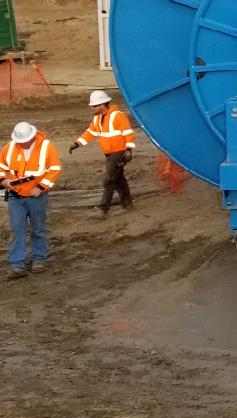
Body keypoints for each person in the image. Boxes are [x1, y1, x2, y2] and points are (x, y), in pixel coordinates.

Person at [1, 121, 62, 277]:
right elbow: (1, 166)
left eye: (25, 141)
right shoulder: (10, 148)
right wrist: (3, 181)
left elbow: (55, 168)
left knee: (38, 229)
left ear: (33, 136)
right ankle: (17, 265)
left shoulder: (47, 146)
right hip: (16, 196)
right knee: (16, 229)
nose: (23, 144)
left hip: (37, 197)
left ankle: (38, 259)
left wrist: (41, 187)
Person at [71, 88, 136, 212]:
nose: (92, 109)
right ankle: (127, 204)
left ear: (102, 105)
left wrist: (129, 149)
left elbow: (128, 133)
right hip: (109, 153)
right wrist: (77, 143)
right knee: (119, 179)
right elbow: (90, 132)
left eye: (94, 106)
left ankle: (103, 207)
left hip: (119, 152)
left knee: (109, 179)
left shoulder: (118, 116)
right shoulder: (97, 118)